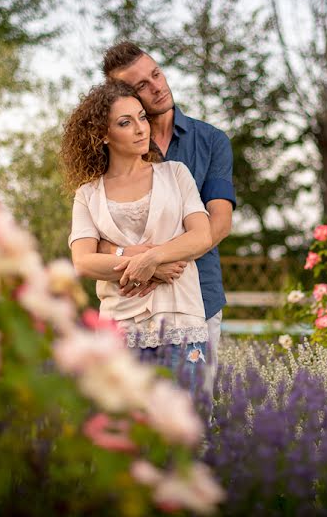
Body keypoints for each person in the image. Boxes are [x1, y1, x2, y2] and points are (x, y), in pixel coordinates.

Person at [100, 42, 236, 399]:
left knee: (191, 421)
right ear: (122, 95)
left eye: (156, 74)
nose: (157, 86)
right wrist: (143, 263)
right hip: (129, 303)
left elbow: (219, 223)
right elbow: (95, 237)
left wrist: (156, 259)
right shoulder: (107, 153)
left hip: (198, 300)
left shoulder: (211, 142)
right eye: (142, 85)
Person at [62, 81, 214, 389]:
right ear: (102, 134)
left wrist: (152, 257)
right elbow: (83, 262)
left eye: (142, 117)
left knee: (183, 425)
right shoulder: (88, 194)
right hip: (119, 325)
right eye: (125, 122)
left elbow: (201, 237)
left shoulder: (176, 174)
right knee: (125, 429)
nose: (140, 128)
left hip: (180, 318)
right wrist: (146, 264)